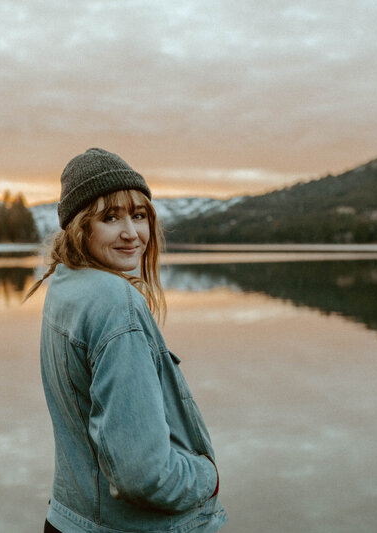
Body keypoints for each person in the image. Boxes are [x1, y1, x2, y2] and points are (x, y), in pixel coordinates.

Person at [24, 148, 227, 533]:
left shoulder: (67, 285)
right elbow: (142, 472)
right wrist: (206, 477)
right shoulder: (116, 303)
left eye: (139, 215)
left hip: (70, 518)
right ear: (81, 226)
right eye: (110, 217)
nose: (132, 233)